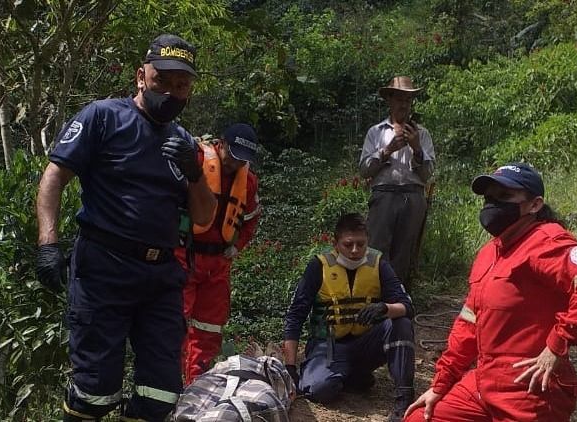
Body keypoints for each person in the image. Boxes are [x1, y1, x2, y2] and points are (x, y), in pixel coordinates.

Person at [35, 34, 217, 422]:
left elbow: (203, 217)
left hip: (162, 277)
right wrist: (48, 243)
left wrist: (195, 172)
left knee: (161, 394)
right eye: (161, 81)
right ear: (140, 77)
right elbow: (54, 177)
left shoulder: (184, 142)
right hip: (104, 270)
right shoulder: (103, 117)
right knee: (95, 392)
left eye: (180, 85)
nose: (170, 92)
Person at [404, 163, 577, 422]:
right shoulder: (490, 251)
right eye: (489, 197)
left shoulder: (547, 241)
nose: (493, 205)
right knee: (421, 417)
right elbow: (468, 324)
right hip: (483, 382)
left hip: (530, 389)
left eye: (505, 197)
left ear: (534, 205)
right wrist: (440, 384)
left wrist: (556, 347)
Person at [283, 213, 416, 422]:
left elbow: (407, 306)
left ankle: (405, 399)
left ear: (367, 242)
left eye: (361, 244)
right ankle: (351, 377)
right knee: (320, 389)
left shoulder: (379, 264)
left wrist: (384, 308)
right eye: (349, 244)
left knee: (401, 323)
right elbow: (295, 316)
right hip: (327, 345)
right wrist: (290, 368)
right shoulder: (319, 266)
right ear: (336, 244)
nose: (355, 251)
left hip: (365, 344)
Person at [176, 123, 260, 385]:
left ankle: (197, 384)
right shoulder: (197, 160)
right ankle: (169, 384)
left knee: (209, 328)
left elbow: (251, 219)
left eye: (242, 159)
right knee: (174, 322)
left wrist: (237, 246)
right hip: (184, 255)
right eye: (233, 155)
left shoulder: (248, 181)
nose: (235, 163)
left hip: (218, 263)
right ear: (221, 144)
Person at [359, 76, 436, 289]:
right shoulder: (375, 133)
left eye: (408, 100)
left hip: (413, 196)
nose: (404, 104)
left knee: (405, 251)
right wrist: (387, 150)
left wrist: (417, 149)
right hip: (383, 194)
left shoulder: (423, 134)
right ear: (390, 100)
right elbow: (365, 169)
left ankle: (398, 299)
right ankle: (373, 295)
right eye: (400, 98)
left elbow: (427, 174)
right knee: (376, 249)